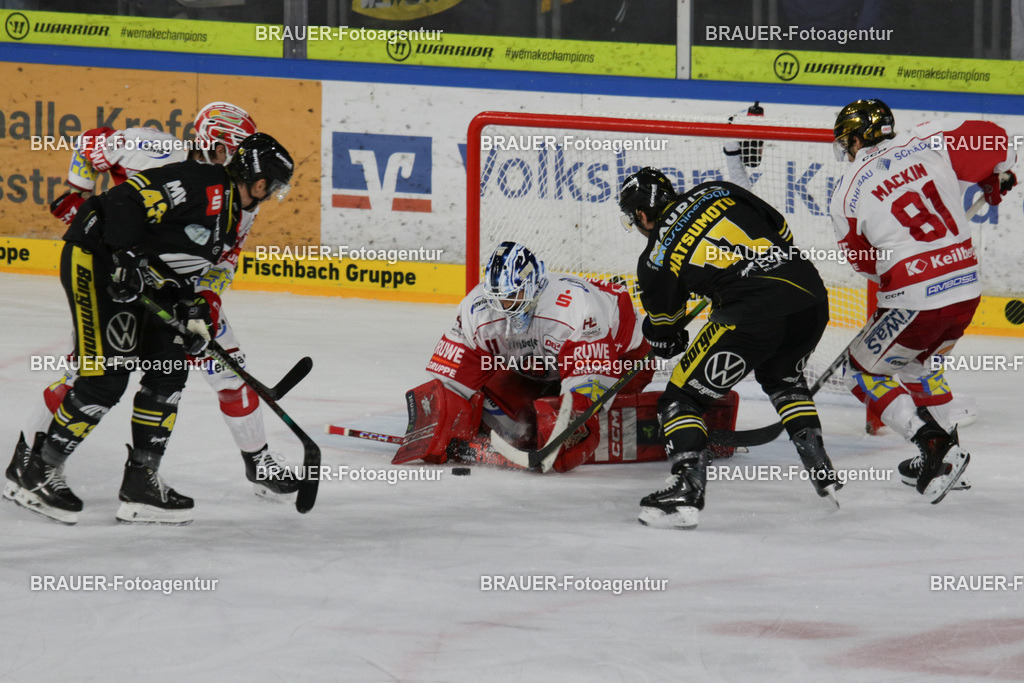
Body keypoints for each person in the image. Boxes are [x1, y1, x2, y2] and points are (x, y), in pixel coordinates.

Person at [8, 103, 298, 504]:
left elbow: (226, 257)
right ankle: (29, 457)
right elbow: (94, 143)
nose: (237, 158)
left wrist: (206, 301)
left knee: (226, 370)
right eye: (232, 147)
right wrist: (78, 192)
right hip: (119, 272)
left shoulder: (241, 193)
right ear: (212, 143)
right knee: (92, 374)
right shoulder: (154, 148)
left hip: (177, 287)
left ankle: (258, 462)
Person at [617, 167, 840, 529]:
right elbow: (781, 231)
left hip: (751, 315)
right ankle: (821, 467)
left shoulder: (655, 258)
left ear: (642, 215)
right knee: (782, 377)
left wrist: (665, 336)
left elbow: (665, 330)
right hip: (810, 296)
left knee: (681, 398)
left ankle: (686, 493)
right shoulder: (716, 189)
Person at [828, 98, 1016, 502]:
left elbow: (868, 268)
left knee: (860, 373)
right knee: (921, 367)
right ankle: (953, 461)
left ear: (857, 139)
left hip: (916, 301)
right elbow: (1000, 142)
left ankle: (933, 447)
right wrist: (995, 177)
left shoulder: (845, 193)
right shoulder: (929, 139)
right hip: (966, 290)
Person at [392, 241, 655, 473]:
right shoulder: (477, 309)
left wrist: (571, 423)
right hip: (538, 367)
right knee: (501, 411)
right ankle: (539, 413)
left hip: (624, 360)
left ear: (534, 283)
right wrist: (434, 426)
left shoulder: (574, 306)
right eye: (499, 298)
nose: (507, 307)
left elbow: (589, 384)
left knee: (573, 427)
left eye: (514, 296)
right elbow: (450, 381)